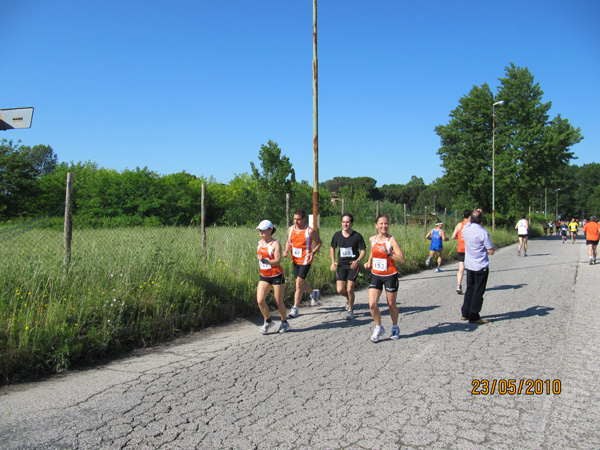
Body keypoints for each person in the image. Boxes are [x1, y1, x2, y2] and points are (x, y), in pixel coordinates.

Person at [364, 215, 405, 342]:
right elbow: (373, 251)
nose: (384, 226)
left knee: (391, 305)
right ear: (376, 225)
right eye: (381, 224)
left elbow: (402, 260)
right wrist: (369, 261)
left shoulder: (391, 240)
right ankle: (379, 327)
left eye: (386, 223)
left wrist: (389, 253)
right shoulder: (372, 239)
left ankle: (395, 327)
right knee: (372, 304)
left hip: (390, 275)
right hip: (376, 275)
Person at [283, 209, 322, 318]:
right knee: (299, 282)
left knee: (299, 283)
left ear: (304, 219)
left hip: (306, 259)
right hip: (295, 259)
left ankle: (295, 308)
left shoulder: (310, 231)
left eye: (299, 219)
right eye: (295, 219)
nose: (296, 221)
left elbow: (319, 242)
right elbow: (289, 242)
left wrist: (313, 252)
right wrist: (286, 250)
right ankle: (313, 293)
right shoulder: (290, 229)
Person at [255, 220, 290, 334]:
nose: (261, 233)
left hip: (276, 275)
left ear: (270, 230)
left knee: (278, 301)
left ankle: (284, 321)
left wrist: (264, 260)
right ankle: (268, 321)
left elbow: (277, 260)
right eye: (260, 230)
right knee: (260, 300)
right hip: (264, 275)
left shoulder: (275, 244)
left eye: (264, 230)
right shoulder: (260, 243)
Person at [330, 213, 366, 320]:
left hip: (352, 265)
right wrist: (333, 262)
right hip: (341, 265)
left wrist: (358, 261)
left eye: (347, 222)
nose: (345, 224)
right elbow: (332, 248)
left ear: (352, 223)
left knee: (350, 289)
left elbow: (363, 251)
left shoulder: (357, 236)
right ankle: (348, 299)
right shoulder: (337, 235)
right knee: (340, 290)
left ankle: (350, 311)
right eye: (343, 222)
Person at [461, 210, 494, 324]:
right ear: (482, 220)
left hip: (469, 264)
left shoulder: (466, 229)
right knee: (478, 291)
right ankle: (474, 315)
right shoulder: (483, 233)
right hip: (480, 265)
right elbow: (491, 251)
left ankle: (465, 312)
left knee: (470, 288)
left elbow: (468, 222)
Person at [451, 210, 472, 294]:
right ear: (470, 216)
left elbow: (453, 236)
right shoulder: (472, 225)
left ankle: (459, 285)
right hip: (469, 249)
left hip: (461, 248)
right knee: (470, 268)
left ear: (463, 215)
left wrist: (460, 237)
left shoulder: (459, 225)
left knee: (461, 268)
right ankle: (470, 286)